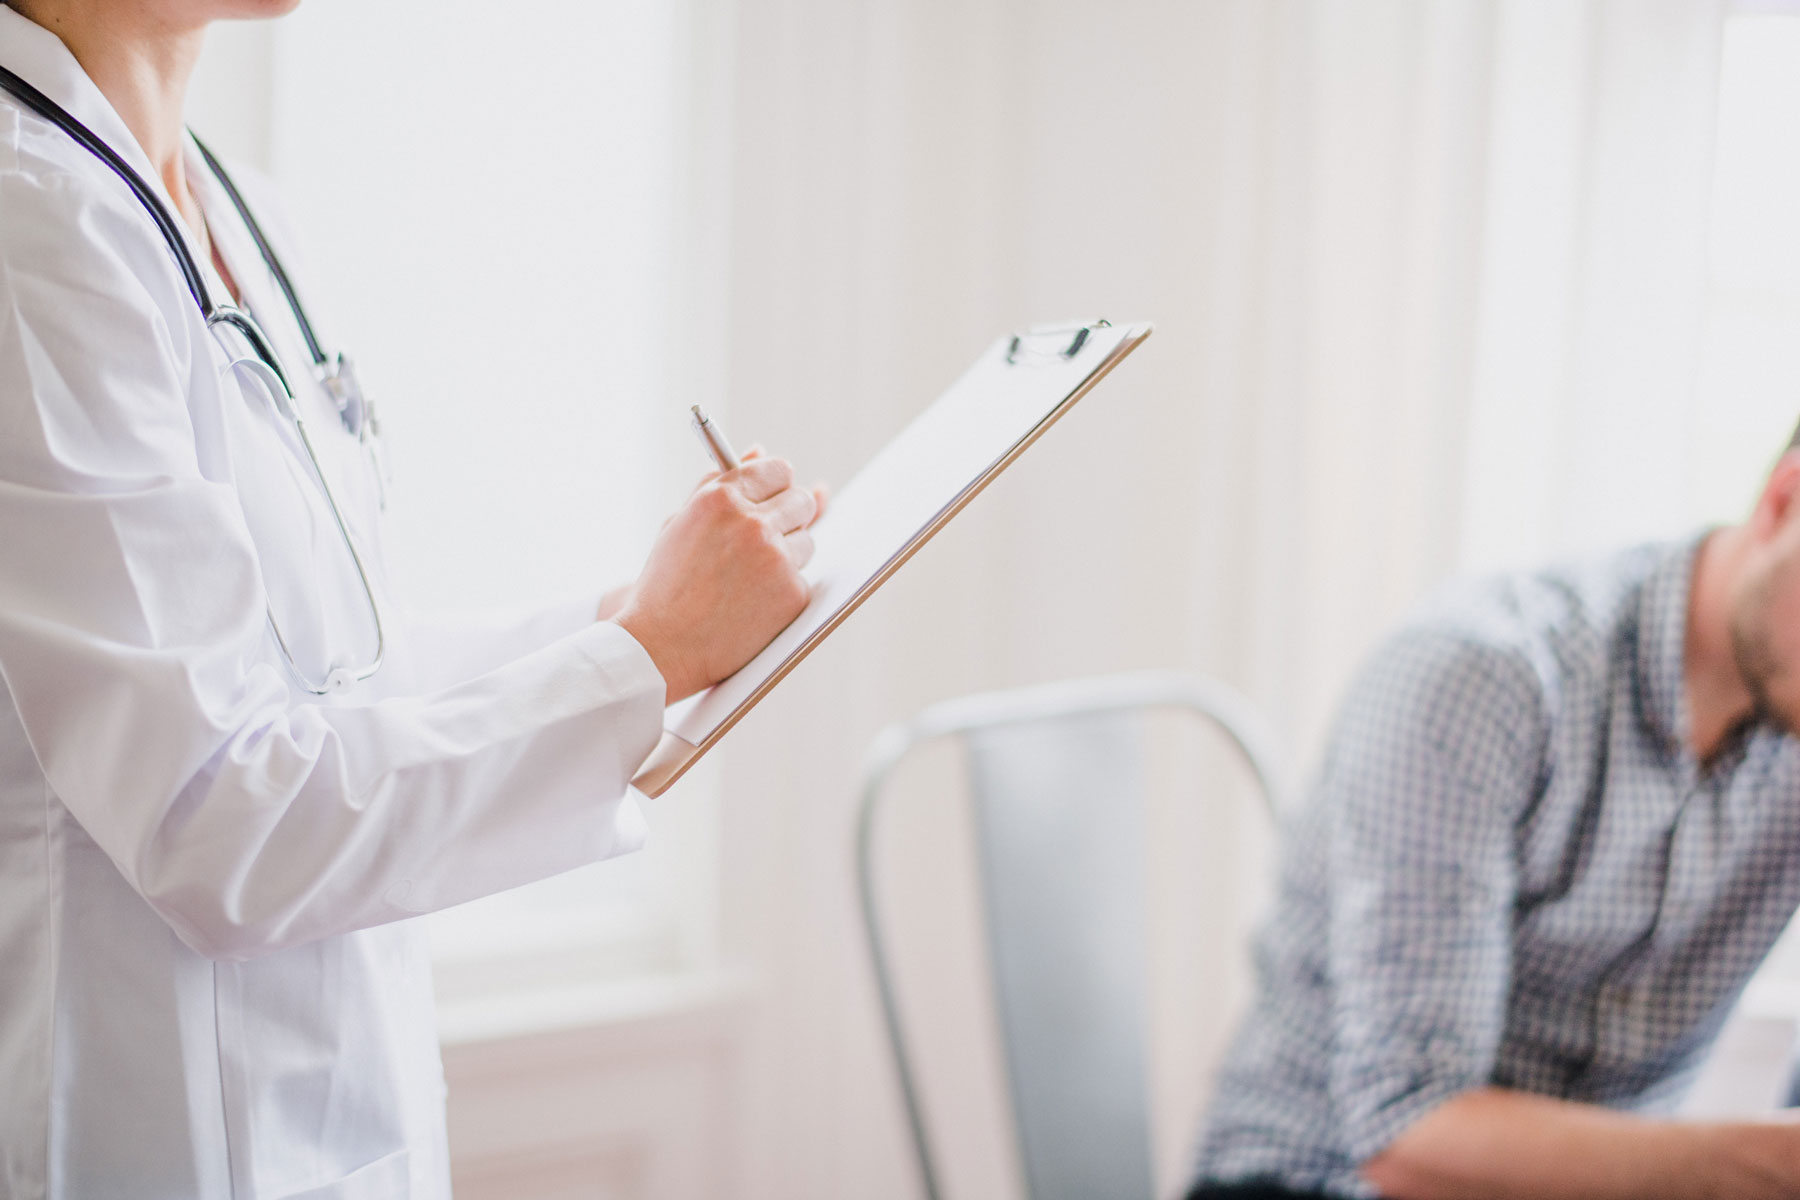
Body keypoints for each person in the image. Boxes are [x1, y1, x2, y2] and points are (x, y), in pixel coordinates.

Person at [0, 1, 825, 1196]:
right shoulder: (32, 230)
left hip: (337, 1129)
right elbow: (217, 820)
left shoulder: (227, 208)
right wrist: (648, 652)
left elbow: (332, 674)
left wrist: (634, 623)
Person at [1187, 426, 1800, 1200]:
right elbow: (1410, 1132)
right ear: (1785, 500)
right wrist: (1769, 1163)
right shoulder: (1482, 676)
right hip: (1321, 1179)